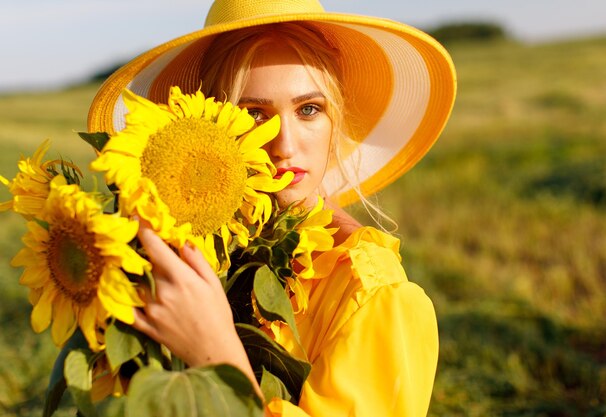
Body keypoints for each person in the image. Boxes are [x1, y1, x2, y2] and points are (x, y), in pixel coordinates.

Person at [87, 0, 456, 415]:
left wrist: (214, 351)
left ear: (336, 119)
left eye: (308, 110)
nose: (284, 145)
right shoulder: (191, 247)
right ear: (209, 128)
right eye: (253, 114)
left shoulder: (375, 298)